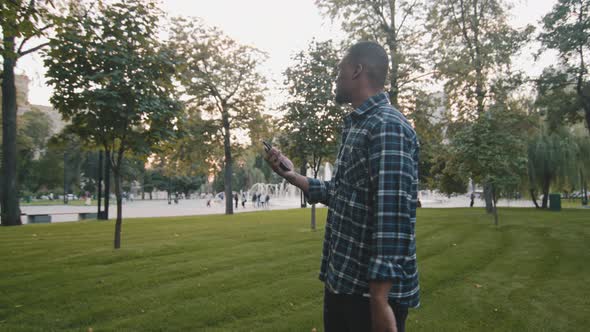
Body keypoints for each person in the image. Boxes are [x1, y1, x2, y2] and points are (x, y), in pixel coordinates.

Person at [265, 41, 419, 332]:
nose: (336, 77)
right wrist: (292, 175)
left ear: (357, 70)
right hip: (343, 284)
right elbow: (343, 195)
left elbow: (393, 218)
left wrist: (379, 300)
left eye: (340, 70)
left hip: (367, 297)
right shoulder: (358, 125)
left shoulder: (387, 126)